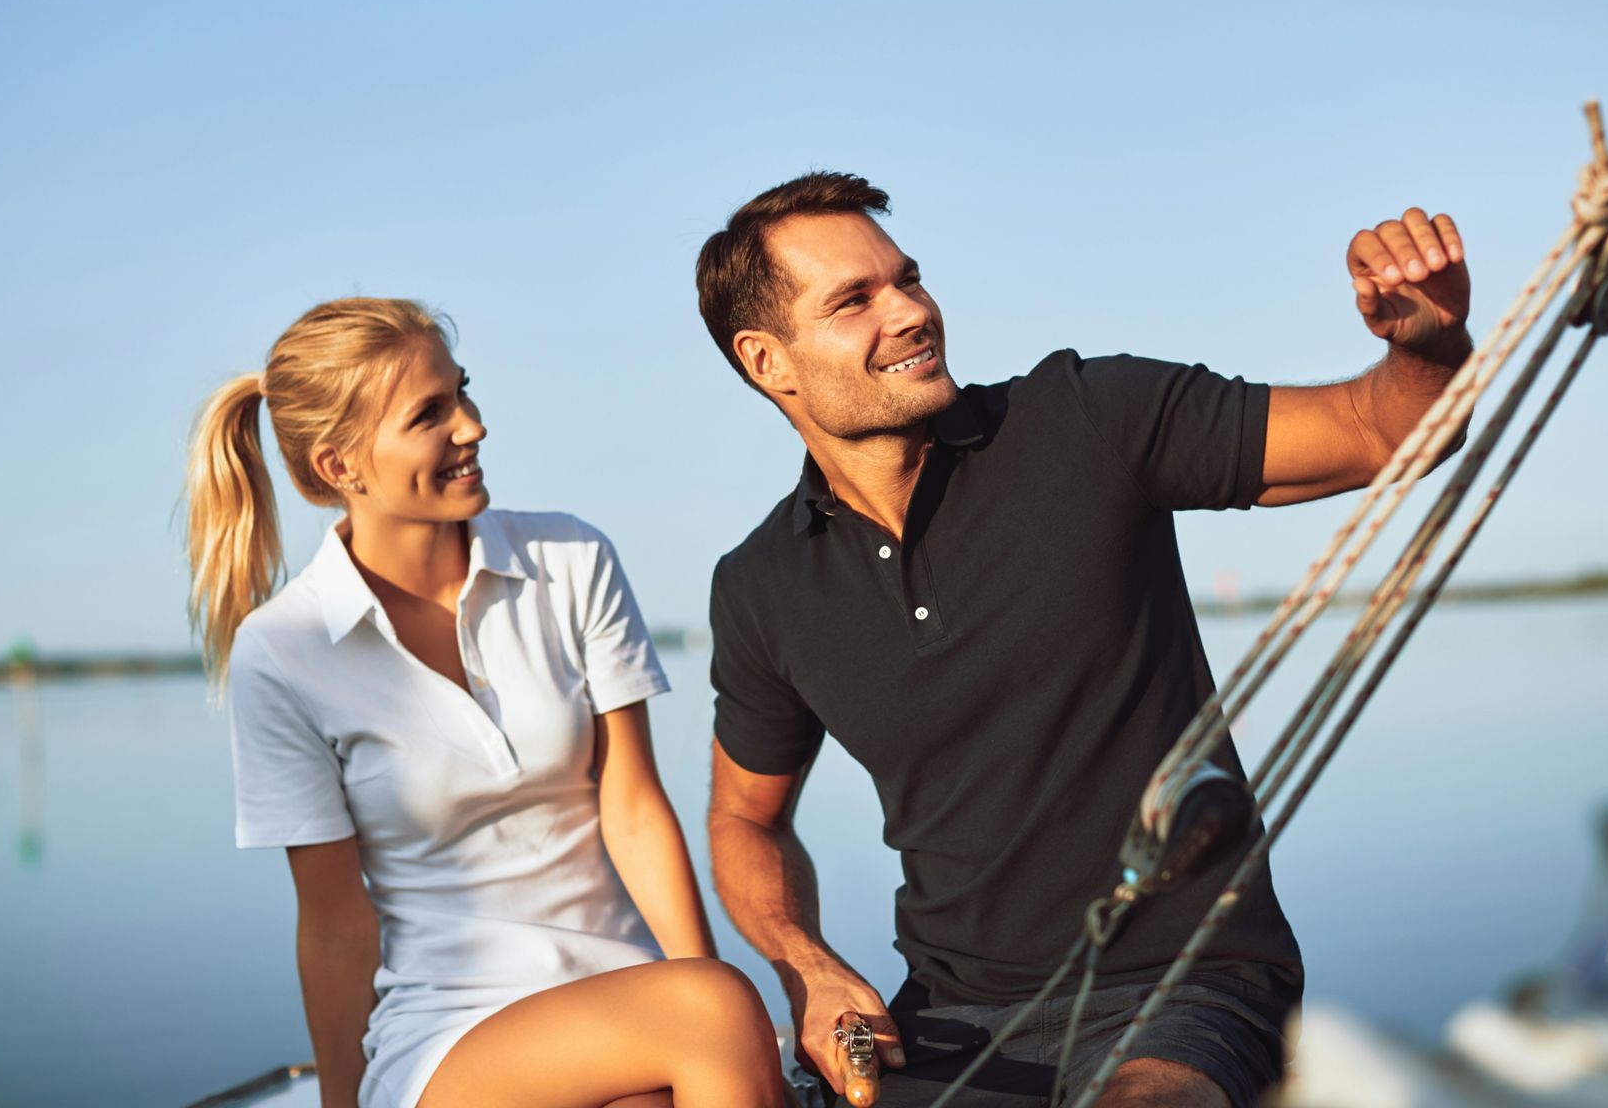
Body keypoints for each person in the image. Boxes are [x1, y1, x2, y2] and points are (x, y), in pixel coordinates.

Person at [694, 174, 1474, 1108]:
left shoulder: (1087, 419)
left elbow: (1382, 429)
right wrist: (806, 967)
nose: (910, 312)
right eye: (855, 300)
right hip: (946, 1022)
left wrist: (1430, 343)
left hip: (1187, 989)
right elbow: (745, 819)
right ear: (767, 360)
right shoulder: (762, 587)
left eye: (908, 279)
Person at [184, 297, 787, 1108]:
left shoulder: (570, 557)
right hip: (448, 1033)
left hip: (630, 996)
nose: (472, 426)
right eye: (430, 414)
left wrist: (710, 997)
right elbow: (333, 923)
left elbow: (634, 807)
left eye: (462, 392)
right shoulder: (283, 650)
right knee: (714, 1009)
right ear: (339, 467)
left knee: (704, 1026)